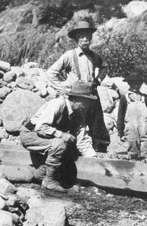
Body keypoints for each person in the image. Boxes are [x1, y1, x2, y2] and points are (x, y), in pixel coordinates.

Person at [20, 82, 97, 192]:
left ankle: (39, 175)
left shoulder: (78, 114)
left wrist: (94, 159)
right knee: (60, 145)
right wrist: (61, 134)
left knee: (70, 148)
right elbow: (40, 127)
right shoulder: (58, 104)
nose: (87, 106)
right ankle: (49, 182)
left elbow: (82, 140)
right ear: (74, 100)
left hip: (47, 138)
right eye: (85, 103)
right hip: (31, 135)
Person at [47, 20, 110, 156]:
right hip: (76, 98)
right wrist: (63, 89)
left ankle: (98, 154)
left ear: (91, 38)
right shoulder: (70, 55)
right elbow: (51, 72)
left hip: (92, 96)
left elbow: (104, 67)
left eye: (87, 36)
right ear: (76, 39)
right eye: (81, 36)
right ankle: (72, 154)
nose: (85, 39)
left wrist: (98, 80)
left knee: (97, 125)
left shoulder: (94, 56)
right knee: (76, 126)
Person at [117, 69, 147, 160]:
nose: (135, 85)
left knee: (146, 153)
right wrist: (120, 132)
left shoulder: (145, 98)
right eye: (133, 83)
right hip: (131, 129)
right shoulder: (124, 98)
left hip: (144, 128)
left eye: (138, 83)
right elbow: (120, 117)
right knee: (133, 154)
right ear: (129, 84)